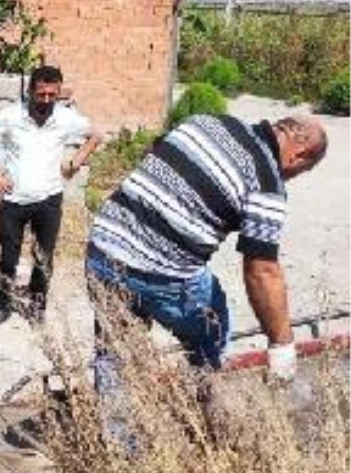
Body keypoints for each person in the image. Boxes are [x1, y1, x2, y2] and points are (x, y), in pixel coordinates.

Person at [87, 114, 327, 388]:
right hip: (159, 272)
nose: (292, 177)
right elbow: (262, 271)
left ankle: (113, 428)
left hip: (103, 248)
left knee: (114, 348)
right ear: (299, 155)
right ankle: (201, 404)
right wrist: (282, 345)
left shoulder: (208, 122)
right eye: (302, 171)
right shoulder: (266, 183)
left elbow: (157, 152)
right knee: (212, 329)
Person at [0, 66, 103, 327]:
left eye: (51, 95)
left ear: (58, 94)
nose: (45, 100)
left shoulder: (65, 118)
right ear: (30, 91)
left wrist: (76, 161)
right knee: (9, 256)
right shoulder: (11, 116)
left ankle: (37, 306)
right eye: (41, 94)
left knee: (44, 257)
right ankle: (2, 305)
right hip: (14, 199)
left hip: (49, 199)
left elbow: (96, 135)